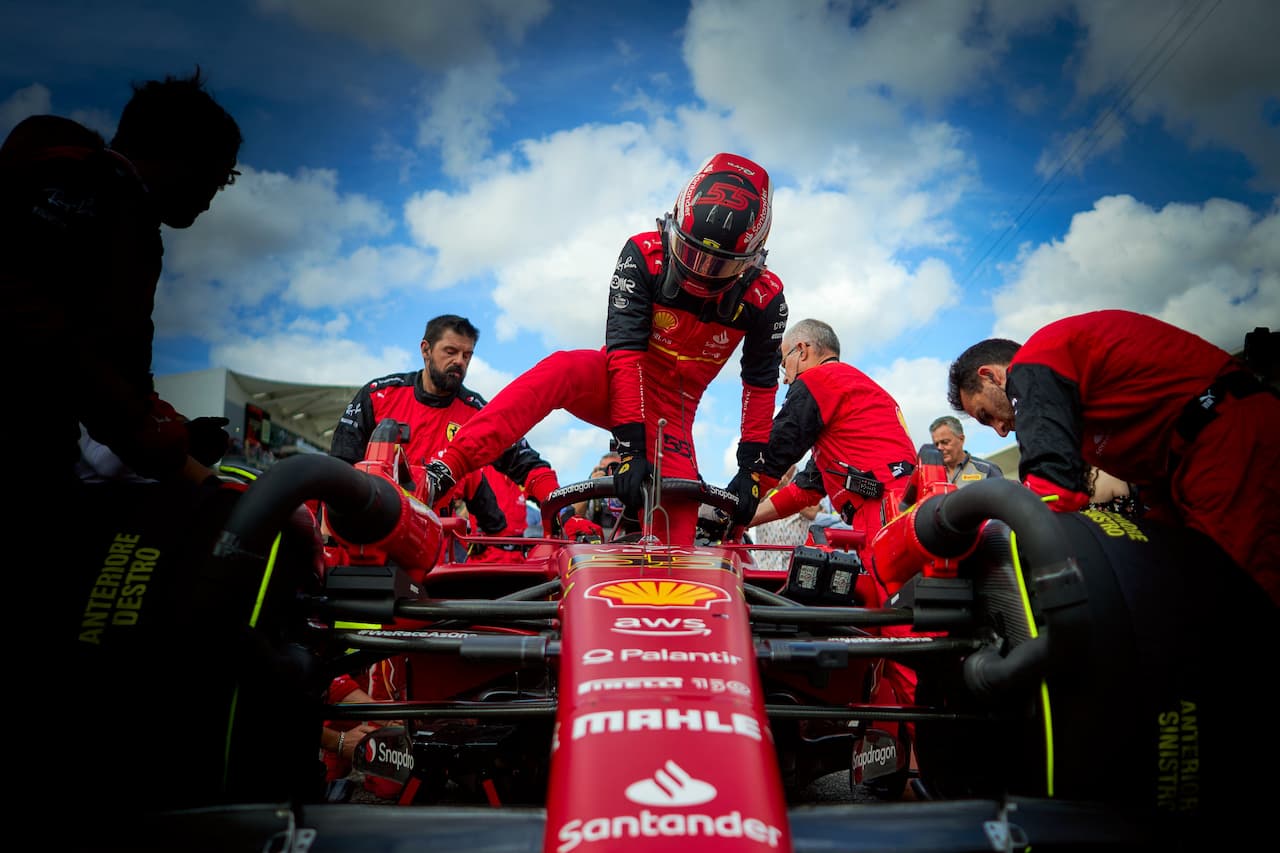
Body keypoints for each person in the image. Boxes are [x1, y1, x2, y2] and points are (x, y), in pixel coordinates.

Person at [424, 153, 788, 544]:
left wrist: (751, 470)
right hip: (617, 377)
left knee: (678, 538)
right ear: (672, 224)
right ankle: (443, 469)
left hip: (672, 415)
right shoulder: (642, 255)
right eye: (693, 252)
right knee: (562, 369)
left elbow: (760, 387)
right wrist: (631, 449)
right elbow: (625, 353)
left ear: (754, 258)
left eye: (718, 264)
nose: (700, 272)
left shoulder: (767, 299)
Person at [2, 66, 241, 491]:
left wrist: (175, 431)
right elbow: (88, 368)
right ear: (180, 157)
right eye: (220, 175)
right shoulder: (122, 215)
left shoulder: (43, 178)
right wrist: (189, 464)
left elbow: (110, 372)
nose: (213, 196)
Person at [947, 309, 1280, 606]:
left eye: (986, 415)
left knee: (1244, 596)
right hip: (1192, 465)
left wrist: (997, 550)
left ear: (990, 376)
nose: (1001, 430)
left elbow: (1053, 489)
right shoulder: (1079, 407)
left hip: (1226, 435)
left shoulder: (1035, 361)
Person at [330, 314, 560, 536]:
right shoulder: (379, 395)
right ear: (425, 350)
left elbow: (526, 463)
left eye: (467, 355)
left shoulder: (478, 412)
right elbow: (339, 465)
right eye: (450, 352)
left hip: (436, 548)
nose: (459, 361)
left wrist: (563, 508)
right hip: (369, 533)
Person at [749, 319, 918, 540]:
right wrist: (746, 519)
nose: (785, 379)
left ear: (801, 351)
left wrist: (728, 507)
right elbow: (806, 489)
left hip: (884, 512)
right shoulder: (856, 393)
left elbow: (772, 454)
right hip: (901, 507)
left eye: (784, 365)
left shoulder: (817, 379)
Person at [750, 464, 819, 571]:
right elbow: (749, 505)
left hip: (794, 567)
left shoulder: (809, 478)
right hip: (764, 566)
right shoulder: (760, 479)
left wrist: (787, 490)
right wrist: (772, 487)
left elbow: (812, 512)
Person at [928, 415, 1003, 487]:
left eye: (945, 442)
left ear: (961, 439)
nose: (939, 448)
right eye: (936, 444)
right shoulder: (931, 475)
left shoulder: (987, 470)